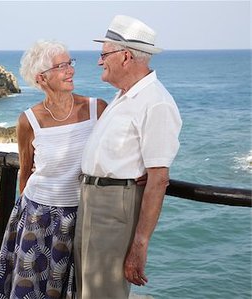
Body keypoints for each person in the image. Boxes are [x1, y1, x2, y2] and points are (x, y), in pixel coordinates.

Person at [74, 15, 182, 299]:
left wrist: (139, 245)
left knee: (102, 293)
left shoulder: (156, 103)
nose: (99, 62)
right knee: (86, 290)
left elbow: (158, 179)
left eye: (103, 54)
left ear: (124, 57)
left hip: (113, 208)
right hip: (92, 201)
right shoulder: (125, 96)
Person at [0, 40, 107, 298]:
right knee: (31, 289)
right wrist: (25, 216)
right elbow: (25, 172)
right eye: (61, 66)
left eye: (70, 63)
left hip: (81, 216)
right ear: (42, 78)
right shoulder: (28, 120)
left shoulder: (96, 109)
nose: (71, 70)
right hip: (37, 216)